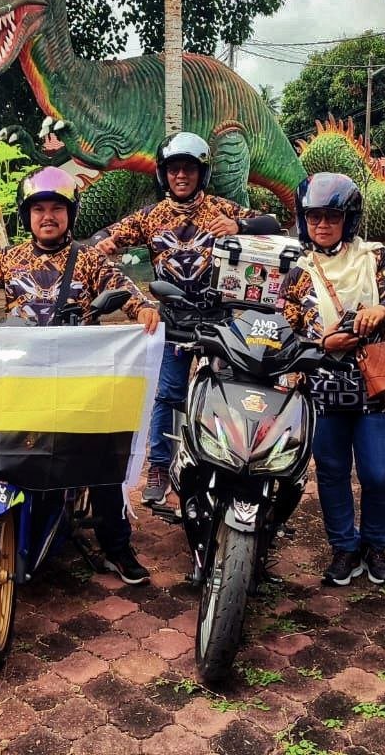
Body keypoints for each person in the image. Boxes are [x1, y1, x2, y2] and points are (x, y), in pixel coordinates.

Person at [0, 165, 161, 587]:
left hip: (77, 383)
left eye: (56, 209)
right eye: (39, 209)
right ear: (28, 216)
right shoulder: (9, 259)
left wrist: (144, 308)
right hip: (16, 379)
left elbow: (124, 288)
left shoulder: (89, 258)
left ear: (69, 214)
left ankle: (116, 547)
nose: (48, 216)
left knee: (102, 457)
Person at [94, 132, 281, 506]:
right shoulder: (151, 217)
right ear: (164, 174)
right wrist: (104, 242)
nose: (181, 175)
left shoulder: (221, 209)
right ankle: (159, 466)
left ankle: (225, 462)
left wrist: (240, 228)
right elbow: (107, 234)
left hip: (221, 322)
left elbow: (274, 224)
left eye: (189, 169)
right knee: (167, 394)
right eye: (174, 169)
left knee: (227, 393)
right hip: (173, 322)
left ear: (202, 173)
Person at [280, 173, 385, 587]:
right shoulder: (295, 269)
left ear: (348, 220)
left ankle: (375, 547)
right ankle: (343, 548)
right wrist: (322, 341)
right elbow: (286, 327)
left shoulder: (374, 256)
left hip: (374, 381)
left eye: (332, 217)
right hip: (321, 383)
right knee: (332, 470)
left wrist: (381, 311)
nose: (322, 225)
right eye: (314, 216)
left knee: (380, 472)